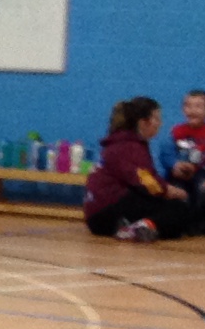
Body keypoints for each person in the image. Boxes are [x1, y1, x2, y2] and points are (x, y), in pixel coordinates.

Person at [84, 97, 196, 243]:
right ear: (143, 122)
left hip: (97, 215)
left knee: (168, 210)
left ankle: (139, 225)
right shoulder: (130, 147)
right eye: (157, 119)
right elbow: (145, 182)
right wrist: (169, 191)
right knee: (178, 209)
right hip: (106, 214)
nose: (160, 123)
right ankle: (138, 228)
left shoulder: (122, 142)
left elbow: (146, 176)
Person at [162, 88, 205, 214]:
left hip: (201, 174)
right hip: (177, 175)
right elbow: (166, 153)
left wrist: (198, 167)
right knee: (174, 191)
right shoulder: (176, 132)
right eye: (188, 106)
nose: (192, 110)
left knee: (204, 190)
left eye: (198, 106)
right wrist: (175, 165)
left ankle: (201, 219)